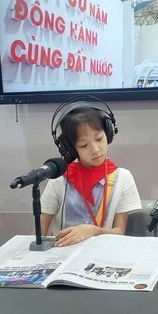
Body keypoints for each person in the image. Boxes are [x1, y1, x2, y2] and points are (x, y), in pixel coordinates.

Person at [40, 98, 141, 247]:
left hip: (104, 251)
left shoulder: (123, 178)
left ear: (109, 133)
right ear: (70, 149)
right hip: (63, 252)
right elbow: (39, 233)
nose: (95, 149)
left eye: (99, 139)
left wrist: (93, 231)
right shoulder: (59, 179)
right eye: (83, 145)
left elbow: (119, 232)